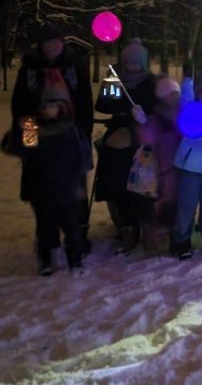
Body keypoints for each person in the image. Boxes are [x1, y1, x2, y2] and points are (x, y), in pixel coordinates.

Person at [11, 23, 93, 253]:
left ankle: (78, 237)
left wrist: (82, 135)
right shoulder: (30, 69)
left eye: (57, 42)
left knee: (75, 190)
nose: (54, 47)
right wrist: (29, 142)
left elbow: (85, 103)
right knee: (42, 190)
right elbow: (21, 106)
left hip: (71, 138)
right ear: (42, 45)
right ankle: (48, 238)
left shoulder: (74, 67)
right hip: (40, 138)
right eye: (49, 43)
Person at [20, 85, 92, 275]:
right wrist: (23, 132)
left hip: (67, 187)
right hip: (42, 188)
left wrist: (80, 183)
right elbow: (25, 155)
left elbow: (81, 157)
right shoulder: (32, 127)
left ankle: (75, 260)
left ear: (62, 107)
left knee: (72, 227)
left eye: (53, 105)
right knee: (45, 228)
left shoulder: (71, 129)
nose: (49, 109)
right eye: (45, 105)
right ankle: (46, 260)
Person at [94, 37, 157, 254]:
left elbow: (157, 107)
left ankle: (146, 223)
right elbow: (103, 105)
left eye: (136, 63)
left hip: (144, 136)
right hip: (120, 133)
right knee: (119, 180)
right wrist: (122, 107)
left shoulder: (151, 82)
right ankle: (127, 224)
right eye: (128, 62)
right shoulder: (115, 80)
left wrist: (144, 114)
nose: (132, 67)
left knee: (143, 182)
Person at [136, 76, 185, 247]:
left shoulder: (183, 112)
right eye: (170, 94)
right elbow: (147, 139)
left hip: (182, 165)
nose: (174, 97)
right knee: (165, 200)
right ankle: (161, 235)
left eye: (176, 93)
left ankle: (178, 236)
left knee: (180, 201)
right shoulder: (156, 118)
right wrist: (143, 123)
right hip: (163, 166)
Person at [172, 84, 202, 260]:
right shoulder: (191, 111)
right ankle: (183, 242)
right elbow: (185, 96)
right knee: (186, 207)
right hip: (190, 168)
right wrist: (187, 77)